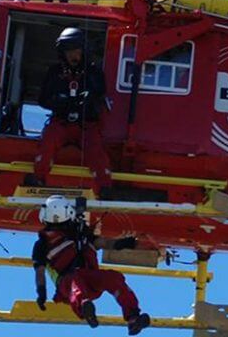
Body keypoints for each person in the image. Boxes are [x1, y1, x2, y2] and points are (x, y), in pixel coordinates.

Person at [32, 196, 151, 335]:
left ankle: (133, 317)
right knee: (75, 282)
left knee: (114, 278)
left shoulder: (81, 234)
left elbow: (104, 243)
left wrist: (125, 243)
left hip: (90, 278)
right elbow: (39, 270)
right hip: (67, 284)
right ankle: (84, 307)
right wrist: (42, 292)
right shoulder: (42, 244)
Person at [32, 28, 114, 192]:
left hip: (87, 125)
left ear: (83, 51)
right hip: (61, 122)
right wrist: (59, 101)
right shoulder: (54, 72)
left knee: (96, 151)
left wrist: (88, 98)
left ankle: (104, 187)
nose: (72, 55)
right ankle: (38, 178)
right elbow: (43, 98)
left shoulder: (94, 73)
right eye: (68, 51)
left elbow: (100, 93)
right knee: (48, 140)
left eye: (76, 50)